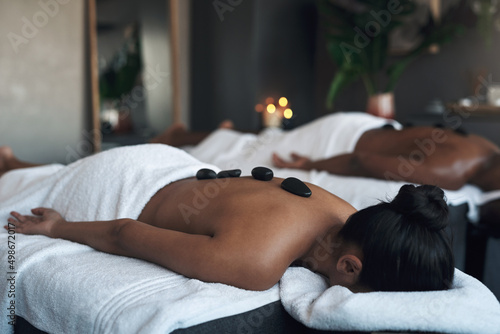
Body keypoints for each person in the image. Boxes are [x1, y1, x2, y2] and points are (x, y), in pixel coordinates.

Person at [1, 144, 453, 292]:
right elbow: (125, 233)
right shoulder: (255, 263)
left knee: (47, 172)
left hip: (172, 162)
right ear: (349, 267)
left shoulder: (355, 217)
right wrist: (57, 228)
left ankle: (14, 162)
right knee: (32, 192)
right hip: (122, 186)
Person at [151, 112, 500, 231]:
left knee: (262, 140)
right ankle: (180, 138)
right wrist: (309, 166)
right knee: (260, 149)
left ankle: (185, 135)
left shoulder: (490, 149)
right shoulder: (453, 172)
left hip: (371, 128)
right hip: (341, 142)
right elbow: (360, 161)